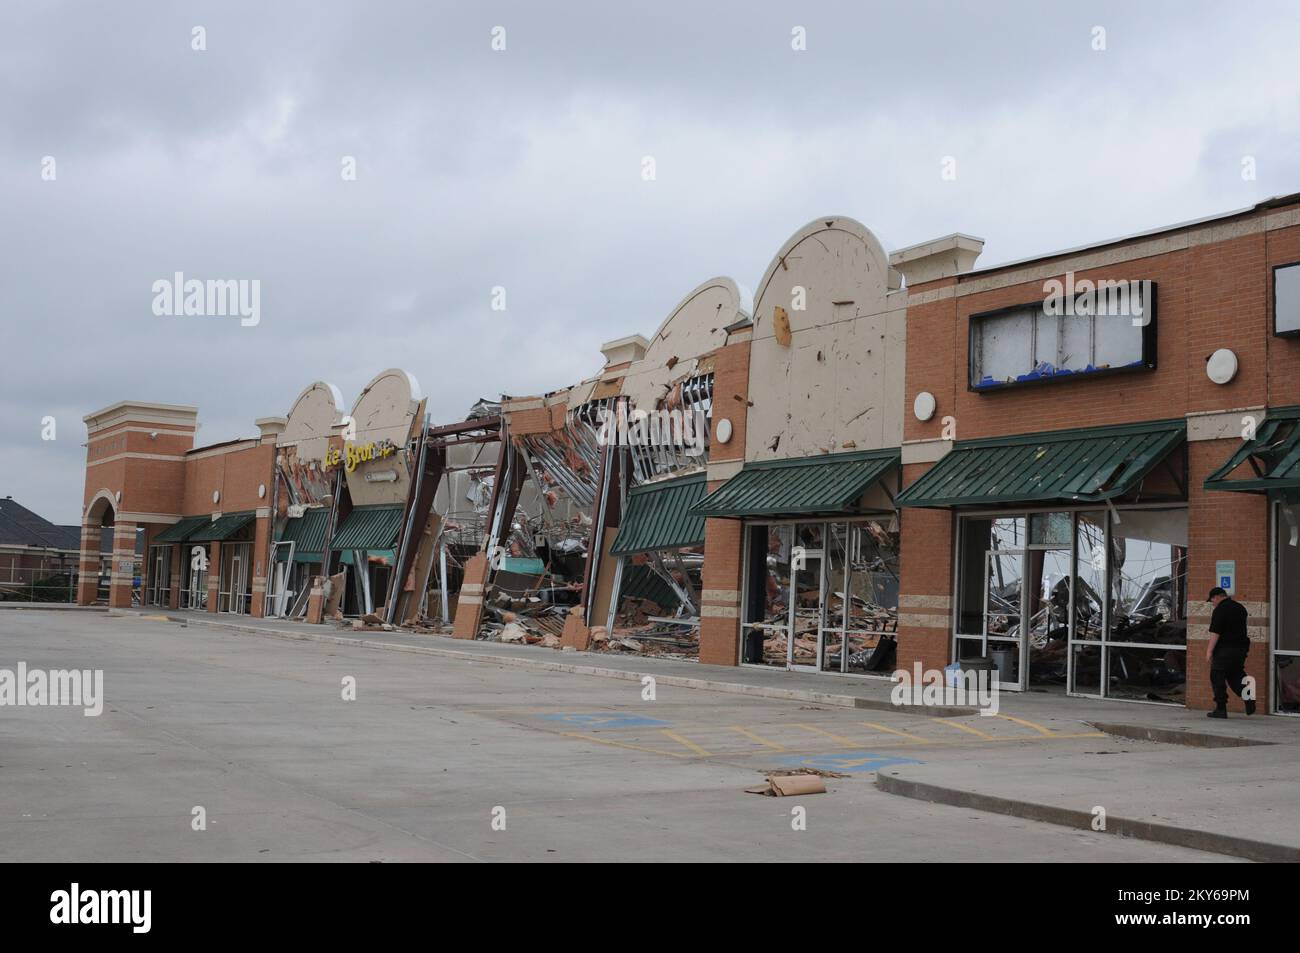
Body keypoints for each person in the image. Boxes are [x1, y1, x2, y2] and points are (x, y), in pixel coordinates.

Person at [1205, 587, 1254, 718]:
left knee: (1217, 676)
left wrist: (1209, 651)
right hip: (1241, 649)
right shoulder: (1240, 608)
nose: (1212, 603)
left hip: (1225, 650)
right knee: (1235, 674)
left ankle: (1221, 709)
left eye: (1212, 600)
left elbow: (1216, 632)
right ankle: (1248, 695)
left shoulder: (1220, 610)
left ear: (1216, 597)